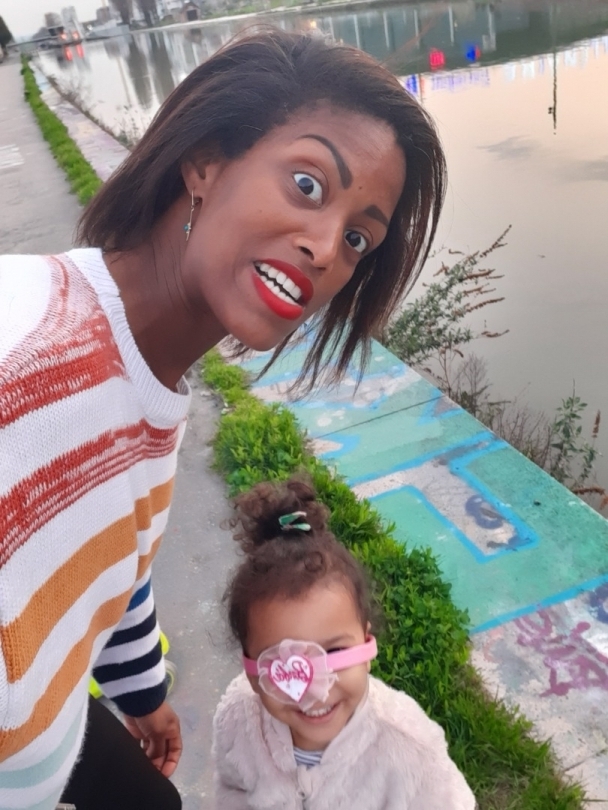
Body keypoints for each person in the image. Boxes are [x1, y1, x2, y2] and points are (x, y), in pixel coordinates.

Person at [0, 26, 446, 810]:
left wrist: (142, 694)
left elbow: (110, 553)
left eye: (357, 238)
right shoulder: (24, 355)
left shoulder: (147, 370)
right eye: (308, 184)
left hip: (61, 729)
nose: (325, 250)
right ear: (204, 161)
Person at [213, 476, 475, 809]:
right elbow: (231, 788)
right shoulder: (239, 720)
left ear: (367, 643)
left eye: (334, 651)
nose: (315, 689)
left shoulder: (411, 749)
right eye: (285, 663)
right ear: (251, 672)